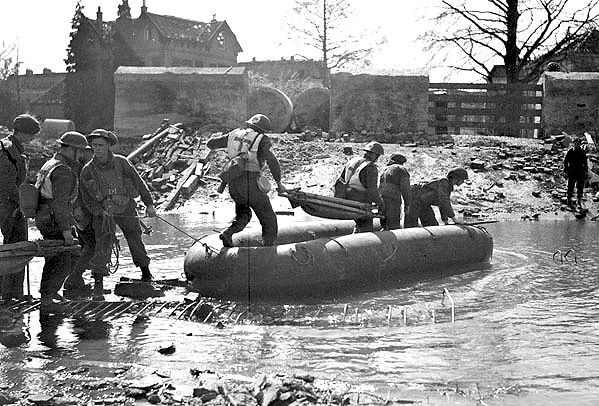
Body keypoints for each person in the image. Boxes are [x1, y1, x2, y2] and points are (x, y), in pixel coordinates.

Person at [79, 129, 156, 297]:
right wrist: (99, 211)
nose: (97, 149)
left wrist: (149, 204)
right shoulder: (87, 170)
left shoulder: (122, 163)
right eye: (94, 145)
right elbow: (86, 199)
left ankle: (146, 273)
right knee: (103, 244)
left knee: (135, 238)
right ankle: (98, 283)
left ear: (108, 146)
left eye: (100, 145)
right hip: (104, 213)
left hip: (126, 207)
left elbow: (139, 183)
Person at [207, 114, 286, 247]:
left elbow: (210, 143)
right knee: (268, 218)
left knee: (243, 215)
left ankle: (228, 233)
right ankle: (269, 250)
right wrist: (279, 182)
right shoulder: (262, 139)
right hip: (251, 183)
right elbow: (272, 161)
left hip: (233, 183)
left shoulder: (233, 134)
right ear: (263, 129)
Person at [35, 131, 90, 314]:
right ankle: (47, 299)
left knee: (59, 258)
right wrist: (67, 231)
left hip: (45, 217)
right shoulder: (63, 171)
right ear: (72, 150)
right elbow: (59, 203)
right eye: (80, 151)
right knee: (63, 260)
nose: (81, 155)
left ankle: (50, 293)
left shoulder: (51, 163)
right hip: (54, 219)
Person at [0, 114, 40, 300]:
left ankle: (12, 292)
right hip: (8, 205)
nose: (32, 139)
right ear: (23, 132)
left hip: (10, 204)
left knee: (14, 247)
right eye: (31, 135)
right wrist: (20, 203)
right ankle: (11, 293)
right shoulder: (7, 150)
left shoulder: (13, 148)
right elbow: (7, 183)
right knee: (16, 248)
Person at [337, 141, 385, 233]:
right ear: (374, 155)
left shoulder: (352, 161)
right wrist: (381, 204)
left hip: (347, 197)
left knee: (359, 223)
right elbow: (373, 190)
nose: (377, 159)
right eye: (377, 156)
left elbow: (341, 180)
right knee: (366, 226)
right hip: (360, 200)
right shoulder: (370, 167)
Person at [379, 153, 411, 230]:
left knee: (384, 225)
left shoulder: (384, 170)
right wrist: (407, 204)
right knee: (393, 226)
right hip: (393, 200)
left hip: (381, 199)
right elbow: (405, 189)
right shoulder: (401, 169)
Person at [563, 137, 588, 208]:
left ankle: (579, 200)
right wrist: (565, 170)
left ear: (580, 144)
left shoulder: (582, 152)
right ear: (573, 144)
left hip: (580, 171)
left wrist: (586, 171)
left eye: (578, 144)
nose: (576, 145)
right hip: (572, 171)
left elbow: (585, 163)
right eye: (575, 143)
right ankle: (569, 200)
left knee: (580, 187)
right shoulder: (570, 151)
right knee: (570, 186)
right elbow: (565, 161)